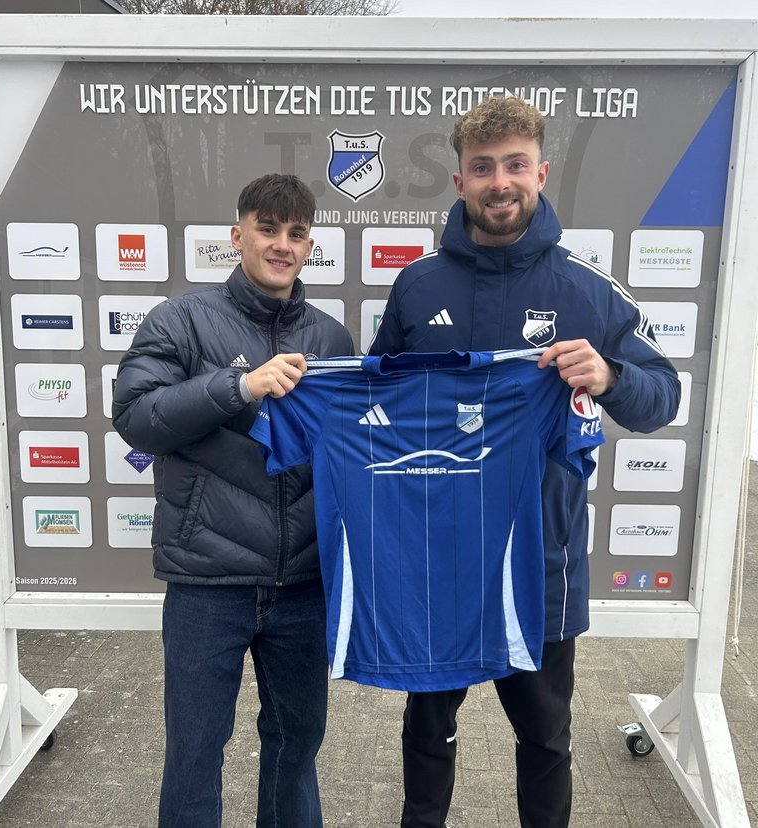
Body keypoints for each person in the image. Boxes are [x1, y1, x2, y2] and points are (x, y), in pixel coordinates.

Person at [368, 96, 680, 828]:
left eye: (515, 165)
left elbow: (661, 396)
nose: (499, 182)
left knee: (544, 738)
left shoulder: (587, 289)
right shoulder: (417, 285)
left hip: (543, 566)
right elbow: (374, 398)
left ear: (540, 173)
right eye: (482, 168)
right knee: (427, 729)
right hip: (439, 563)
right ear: (459, 182)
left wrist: (610, 375)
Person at [112, 173, 353, 828]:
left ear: (310, 246)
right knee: (194, 753)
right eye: (267, 229)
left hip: (303, 585)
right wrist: (239, 387)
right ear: (237, 235)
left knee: (297, 747)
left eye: (296, 233)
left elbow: (352, 451)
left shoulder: (332, 339)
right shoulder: (181, 320)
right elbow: (135, 416)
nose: (281, 245)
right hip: (207, 584)